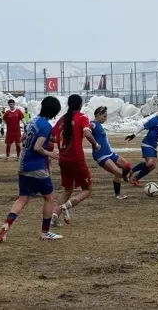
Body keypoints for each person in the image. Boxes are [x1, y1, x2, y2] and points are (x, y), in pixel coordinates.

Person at [0, 96, 63, 242]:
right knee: (49, 198)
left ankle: (6, 225)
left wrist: (54, 139)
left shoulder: (33, 120)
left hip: (23, 164)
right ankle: (45, 232)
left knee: (23, 198)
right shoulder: (45, 126)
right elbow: (37, 147)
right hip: (37, 167)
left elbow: (24, 138)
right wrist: (50, 153)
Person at [51, 94, 100, 227]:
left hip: (63, 160)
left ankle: (54, 216)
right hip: (76, 159)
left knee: (68, 189)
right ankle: (66, 206)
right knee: (87, 189)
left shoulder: (62, 119)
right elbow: (88, 133)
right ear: (80, 105)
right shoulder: (82, 117)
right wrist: (96, 145)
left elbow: (51, 137)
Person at [91, 106, 132, 200]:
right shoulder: (93, 124)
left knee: (127, 166)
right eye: (104, 116)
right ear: (97, 115)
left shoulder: (99, 125)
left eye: (106, 116)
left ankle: (124, 176)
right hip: (101, 155)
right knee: (117, 172)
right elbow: (88, 129)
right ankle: (118, 194)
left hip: (110, 153)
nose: (105, 118)